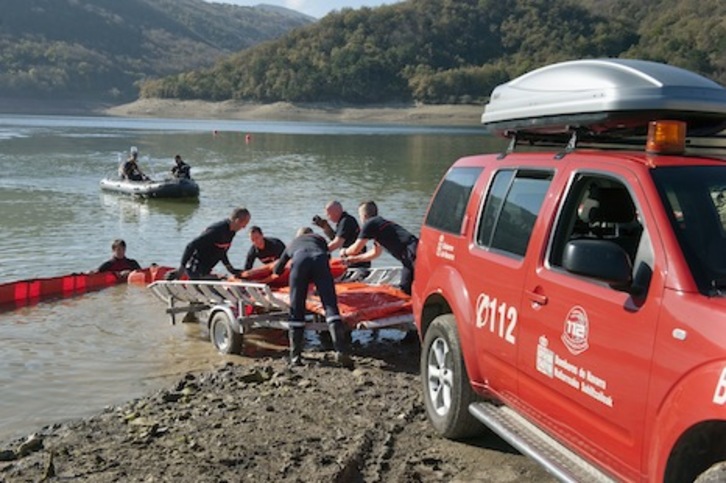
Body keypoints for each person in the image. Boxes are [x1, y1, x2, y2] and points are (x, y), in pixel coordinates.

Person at [273, 227, 351, 367]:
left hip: (299, 263)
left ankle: (296, 356)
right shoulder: (319, 239)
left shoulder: (293, 243)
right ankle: (340, 350)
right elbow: (328, 258)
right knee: (330, 306)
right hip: (320, 260)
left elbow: (277, 269)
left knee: (297, 308)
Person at [340, 201, 418, 295]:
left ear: (364, 216)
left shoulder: (370, 224)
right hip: (408, 257)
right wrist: (355, 259)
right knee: (405, 290)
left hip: (412, 252)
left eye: (359, 216)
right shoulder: (379, 225)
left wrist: (344, 252)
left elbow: (356, 248)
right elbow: (375, 253)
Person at [167, 207, 250, 280]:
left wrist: (230, 269)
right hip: (195, 270)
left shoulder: (231, 232)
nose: (244, 227)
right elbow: (191, 246)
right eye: (244, 224)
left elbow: (221, 251)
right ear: (237, 221)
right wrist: (181, 268)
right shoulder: (217, 230)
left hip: (206, 271)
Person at [313, 200, 370, 270]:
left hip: (357, 263)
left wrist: (318, 252)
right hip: (352, 261)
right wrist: (326, 227)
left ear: (336, 212)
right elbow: (336, 239)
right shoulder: (343, 221)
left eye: (328, 214)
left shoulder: (346, 221)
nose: (327, 217)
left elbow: (337, 243)